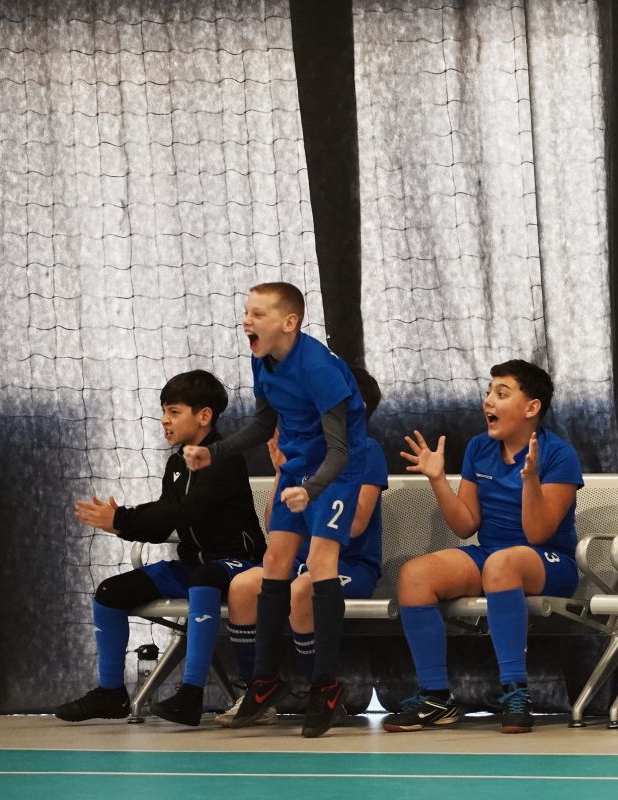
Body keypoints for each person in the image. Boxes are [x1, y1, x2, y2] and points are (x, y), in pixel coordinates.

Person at [182, 282, 368, 738]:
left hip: (336, 472)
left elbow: (341, 449)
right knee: (275, 562)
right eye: (246, 312)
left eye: (258, 314)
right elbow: (265, 423)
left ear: (289, 322)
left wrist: (312, 490)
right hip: (298, 467)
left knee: (320, 562)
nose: (247, 321)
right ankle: (264, 683)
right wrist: (214, 452)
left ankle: (326, 686)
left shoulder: (318, 367)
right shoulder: (261, 359)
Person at [381, 360, 582, 735]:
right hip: (492, 557)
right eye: (488, 392)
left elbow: (538, 533)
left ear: (531, 407)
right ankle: (436, 697)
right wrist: (438, 479)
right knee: (415, 575)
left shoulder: (559, 454)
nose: (488, 401)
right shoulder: (478, 448)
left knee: (502, 564)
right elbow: (465, 525)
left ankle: (515, 691)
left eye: (501, 394)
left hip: (550, 562)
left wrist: (531, 480)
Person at [55, 370, 264, 724]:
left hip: (238, 565)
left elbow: (185, 511)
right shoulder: (177, 463)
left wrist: (121, 518)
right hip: (193, 568)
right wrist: (120, 524)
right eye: (163, 411)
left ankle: (191, 694)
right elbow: (165, 521)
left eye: (174, 411)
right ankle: (111, 693)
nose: (164, 420)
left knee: (205, 576)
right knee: (109, 593)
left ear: (204, 416)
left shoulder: (224, 459)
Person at [215, 367, 386, 727]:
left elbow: (355, 524)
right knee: (243, 586)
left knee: (302, 590)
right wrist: (281, 473)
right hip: (301, 563)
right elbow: (274, 524)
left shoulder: (366, 451)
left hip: (348, 565)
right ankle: (259, 690)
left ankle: (322, 692)